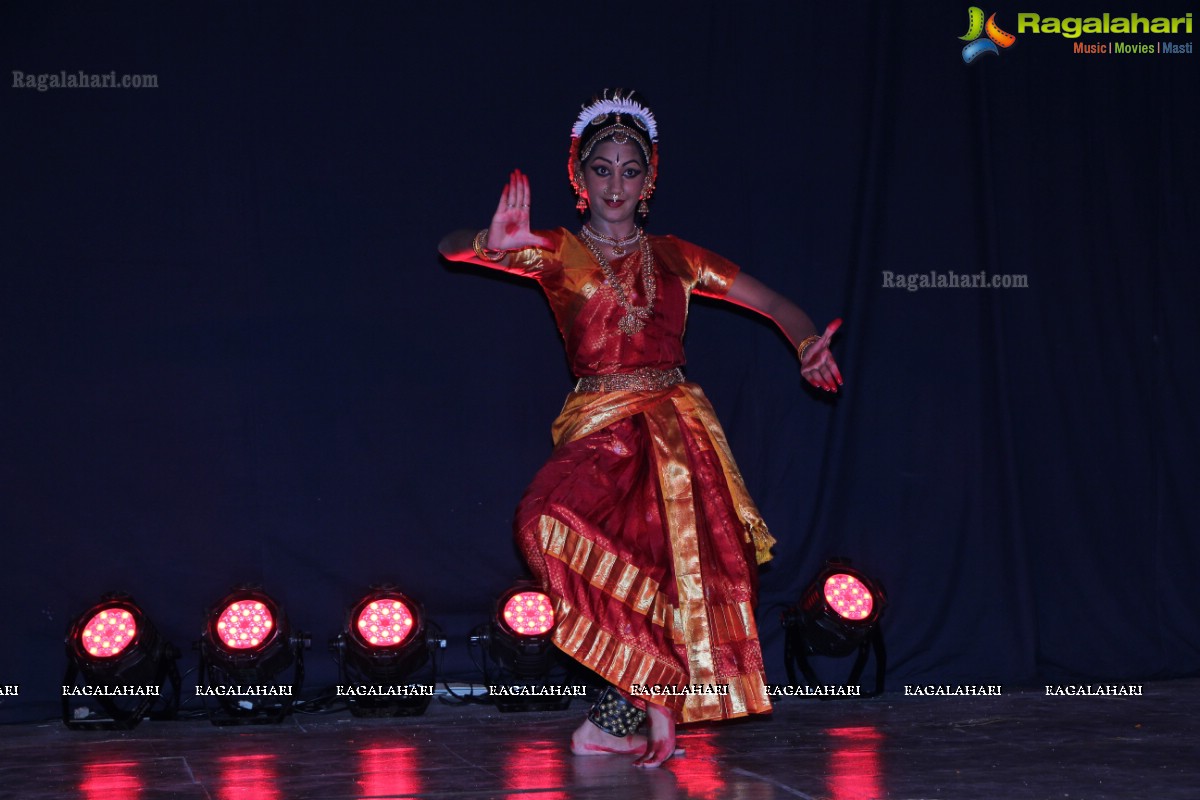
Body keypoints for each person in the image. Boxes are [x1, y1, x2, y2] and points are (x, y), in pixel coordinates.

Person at [438, 90, 842, 768]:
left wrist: (806, 345)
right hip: (599, 422)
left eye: (631, 169)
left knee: (667, 571)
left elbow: (773, 302)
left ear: (649, 180)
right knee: (546, 522)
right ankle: (638, 703)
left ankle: (634, 716)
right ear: (579, 176)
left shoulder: (677, 256)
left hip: (674, 425)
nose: (617, 182)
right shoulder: (556, 251)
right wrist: (490, 244)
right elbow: (449, 247)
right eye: (603, 168)